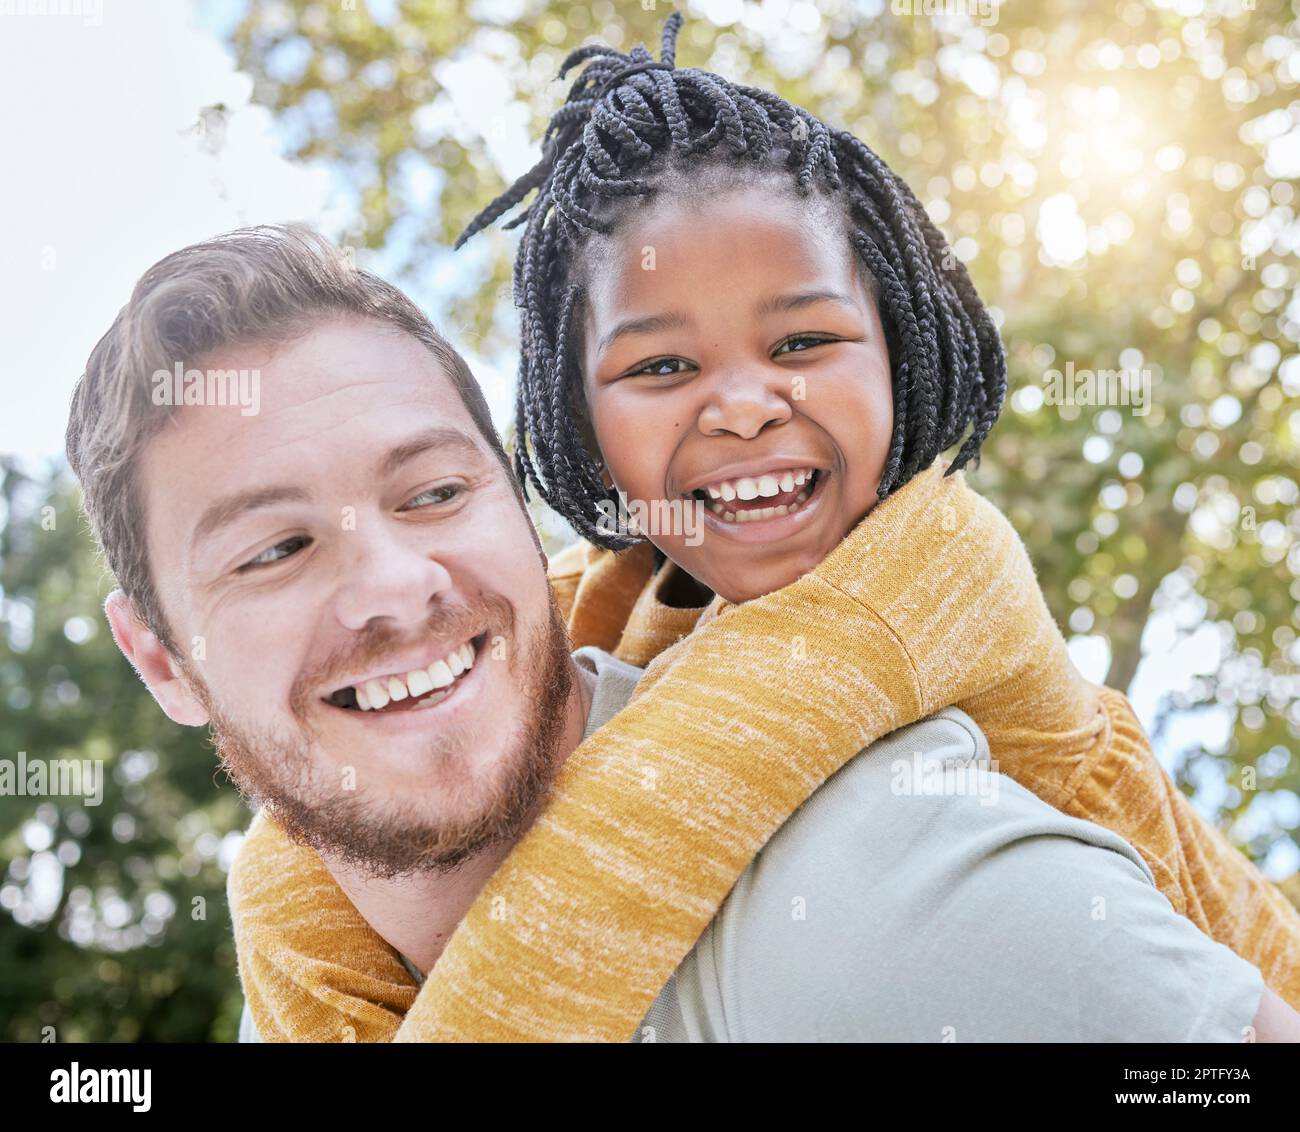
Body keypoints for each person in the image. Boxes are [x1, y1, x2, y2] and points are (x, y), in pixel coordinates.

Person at [228, 15, 1300, 1042]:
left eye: (804, 340)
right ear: (580, 420)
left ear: (901, 351)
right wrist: (280, 869)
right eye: (659, 366)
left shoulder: (922, 570)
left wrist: (286, 878)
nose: (742, 404)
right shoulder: (645, 587)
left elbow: (598, 870)